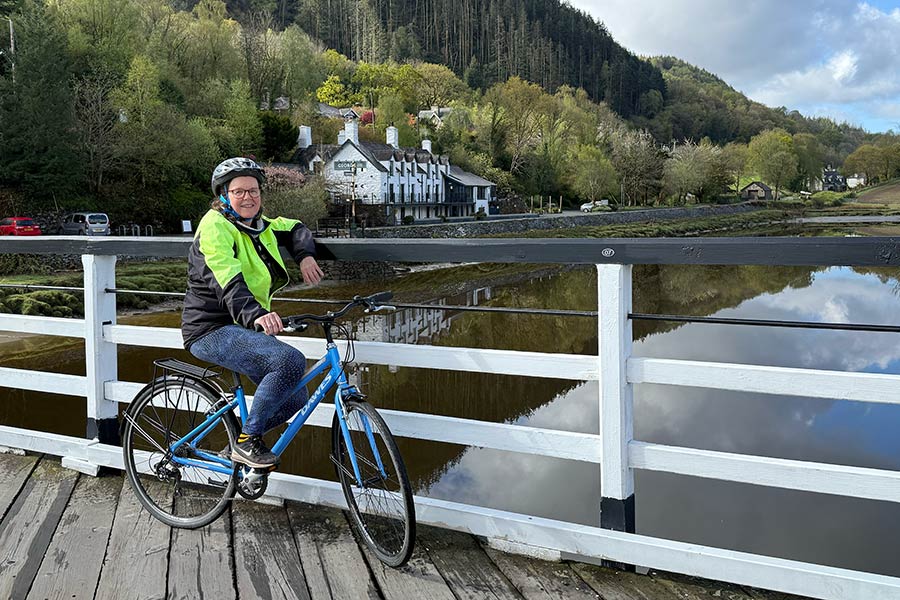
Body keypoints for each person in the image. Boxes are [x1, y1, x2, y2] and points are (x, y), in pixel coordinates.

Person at [181, 157, 324, 469]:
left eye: (254, 191)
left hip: (241, 327)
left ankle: (241, 438)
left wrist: (305, 255)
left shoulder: (262, 226)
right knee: (290, 361)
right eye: (238, 191)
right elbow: (226, 278)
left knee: (296, 396)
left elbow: (296, 228)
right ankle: (247, 443)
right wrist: (256, 314)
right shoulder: (215, 226)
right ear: (224, 195)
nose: (248, 197)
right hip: (210, 329)